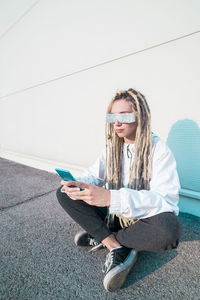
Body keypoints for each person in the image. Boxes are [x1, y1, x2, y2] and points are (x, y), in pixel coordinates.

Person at [56, 88, 181, 292]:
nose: (117, 122)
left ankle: (105, 236)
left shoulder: (159, 150)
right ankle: (115, 245)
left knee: (169, 228)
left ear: (141, 116)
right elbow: (93, 174)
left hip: (141, 218)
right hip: (114, 215)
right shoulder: (112, 147)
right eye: (113, 116)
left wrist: (112, 198)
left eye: (125, 115)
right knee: (64, 194)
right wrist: (78, 183)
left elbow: (166, 201)